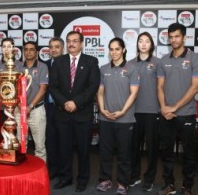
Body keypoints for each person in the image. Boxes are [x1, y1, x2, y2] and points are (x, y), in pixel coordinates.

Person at [50, 31, 100, 192]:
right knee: (64, 149)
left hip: (82, 114)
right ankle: (65, 178)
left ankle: (83, 179)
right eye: (69, 41)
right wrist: (65, 102)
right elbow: (53, 87)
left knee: (84, 150)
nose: (71, 44)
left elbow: (92, 87)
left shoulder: (91, 61)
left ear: (82, 43)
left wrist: (75, 102)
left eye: (75, 41)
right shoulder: (58, 62)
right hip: (62, 113)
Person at [156, 23, 198, 195]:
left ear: (184, 37)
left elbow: (195, 86)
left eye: (177, 36)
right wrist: (164, 107)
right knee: (166, 153)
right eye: (171, 37)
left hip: (186, 114)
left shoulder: (194, 58)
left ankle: (187, 187)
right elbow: (159, 86)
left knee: (189, 154)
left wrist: (175, 107)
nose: (173, 40)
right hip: (167, 115)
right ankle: (170, 185)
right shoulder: (163, 60)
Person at [96, 37, 139, 195]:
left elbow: (134, 93)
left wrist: (122, 111)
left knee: (124, 153)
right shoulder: (104, 68)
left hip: (125, 118)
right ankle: (104, 180)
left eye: (117, 49)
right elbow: (100, 91)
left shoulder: (132, 68)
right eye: (111, 49)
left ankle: (123, 183)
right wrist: (102, 109)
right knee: (105, 152)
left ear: (123, 50)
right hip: (105, 118)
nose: (114, 52)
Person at [129, 32, 160, 192]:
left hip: (152, 111)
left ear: (151, 44)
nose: (143, 44)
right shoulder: (130, 64)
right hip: (133, 112)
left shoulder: (158, 63)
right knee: (134, 147)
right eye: (140, 41)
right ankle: (134, 176)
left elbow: (163, 87)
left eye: (147, 41)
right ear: (137, 44)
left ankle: (149, 179)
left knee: (152, 148)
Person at [15, 41, 48, 162]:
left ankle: (41, 176)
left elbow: (43, 89)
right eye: (26, 49)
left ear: (36, 52)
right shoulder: (18, 67)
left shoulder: (42, 67)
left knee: (40, 147)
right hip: (19, 110)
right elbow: (14, 88)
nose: (28, 52)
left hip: (36, 110)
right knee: (20, 145)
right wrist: (21, 106)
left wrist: (30, 106)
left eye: (31, 49)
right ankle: (21, 174)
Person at [44, 36, 64, 180]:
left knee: (64, 141)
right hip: (48, 107)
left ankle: (64, 171)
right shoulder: (44, 65)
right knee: (50, 140)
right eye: (51, 47)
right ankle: (53, 169)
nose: (54, 49)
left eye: (57, 46)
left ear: (62, 48)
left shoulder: (69, 64)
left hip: (64, 108)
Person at [0, 37, 22, 123]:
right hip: (1, 106)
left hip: (17, 107)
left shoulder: (20, 65)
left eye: (9, 46)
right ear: (1, 49)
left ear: (13, 48)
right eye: (4, 46)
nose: (6, 49)